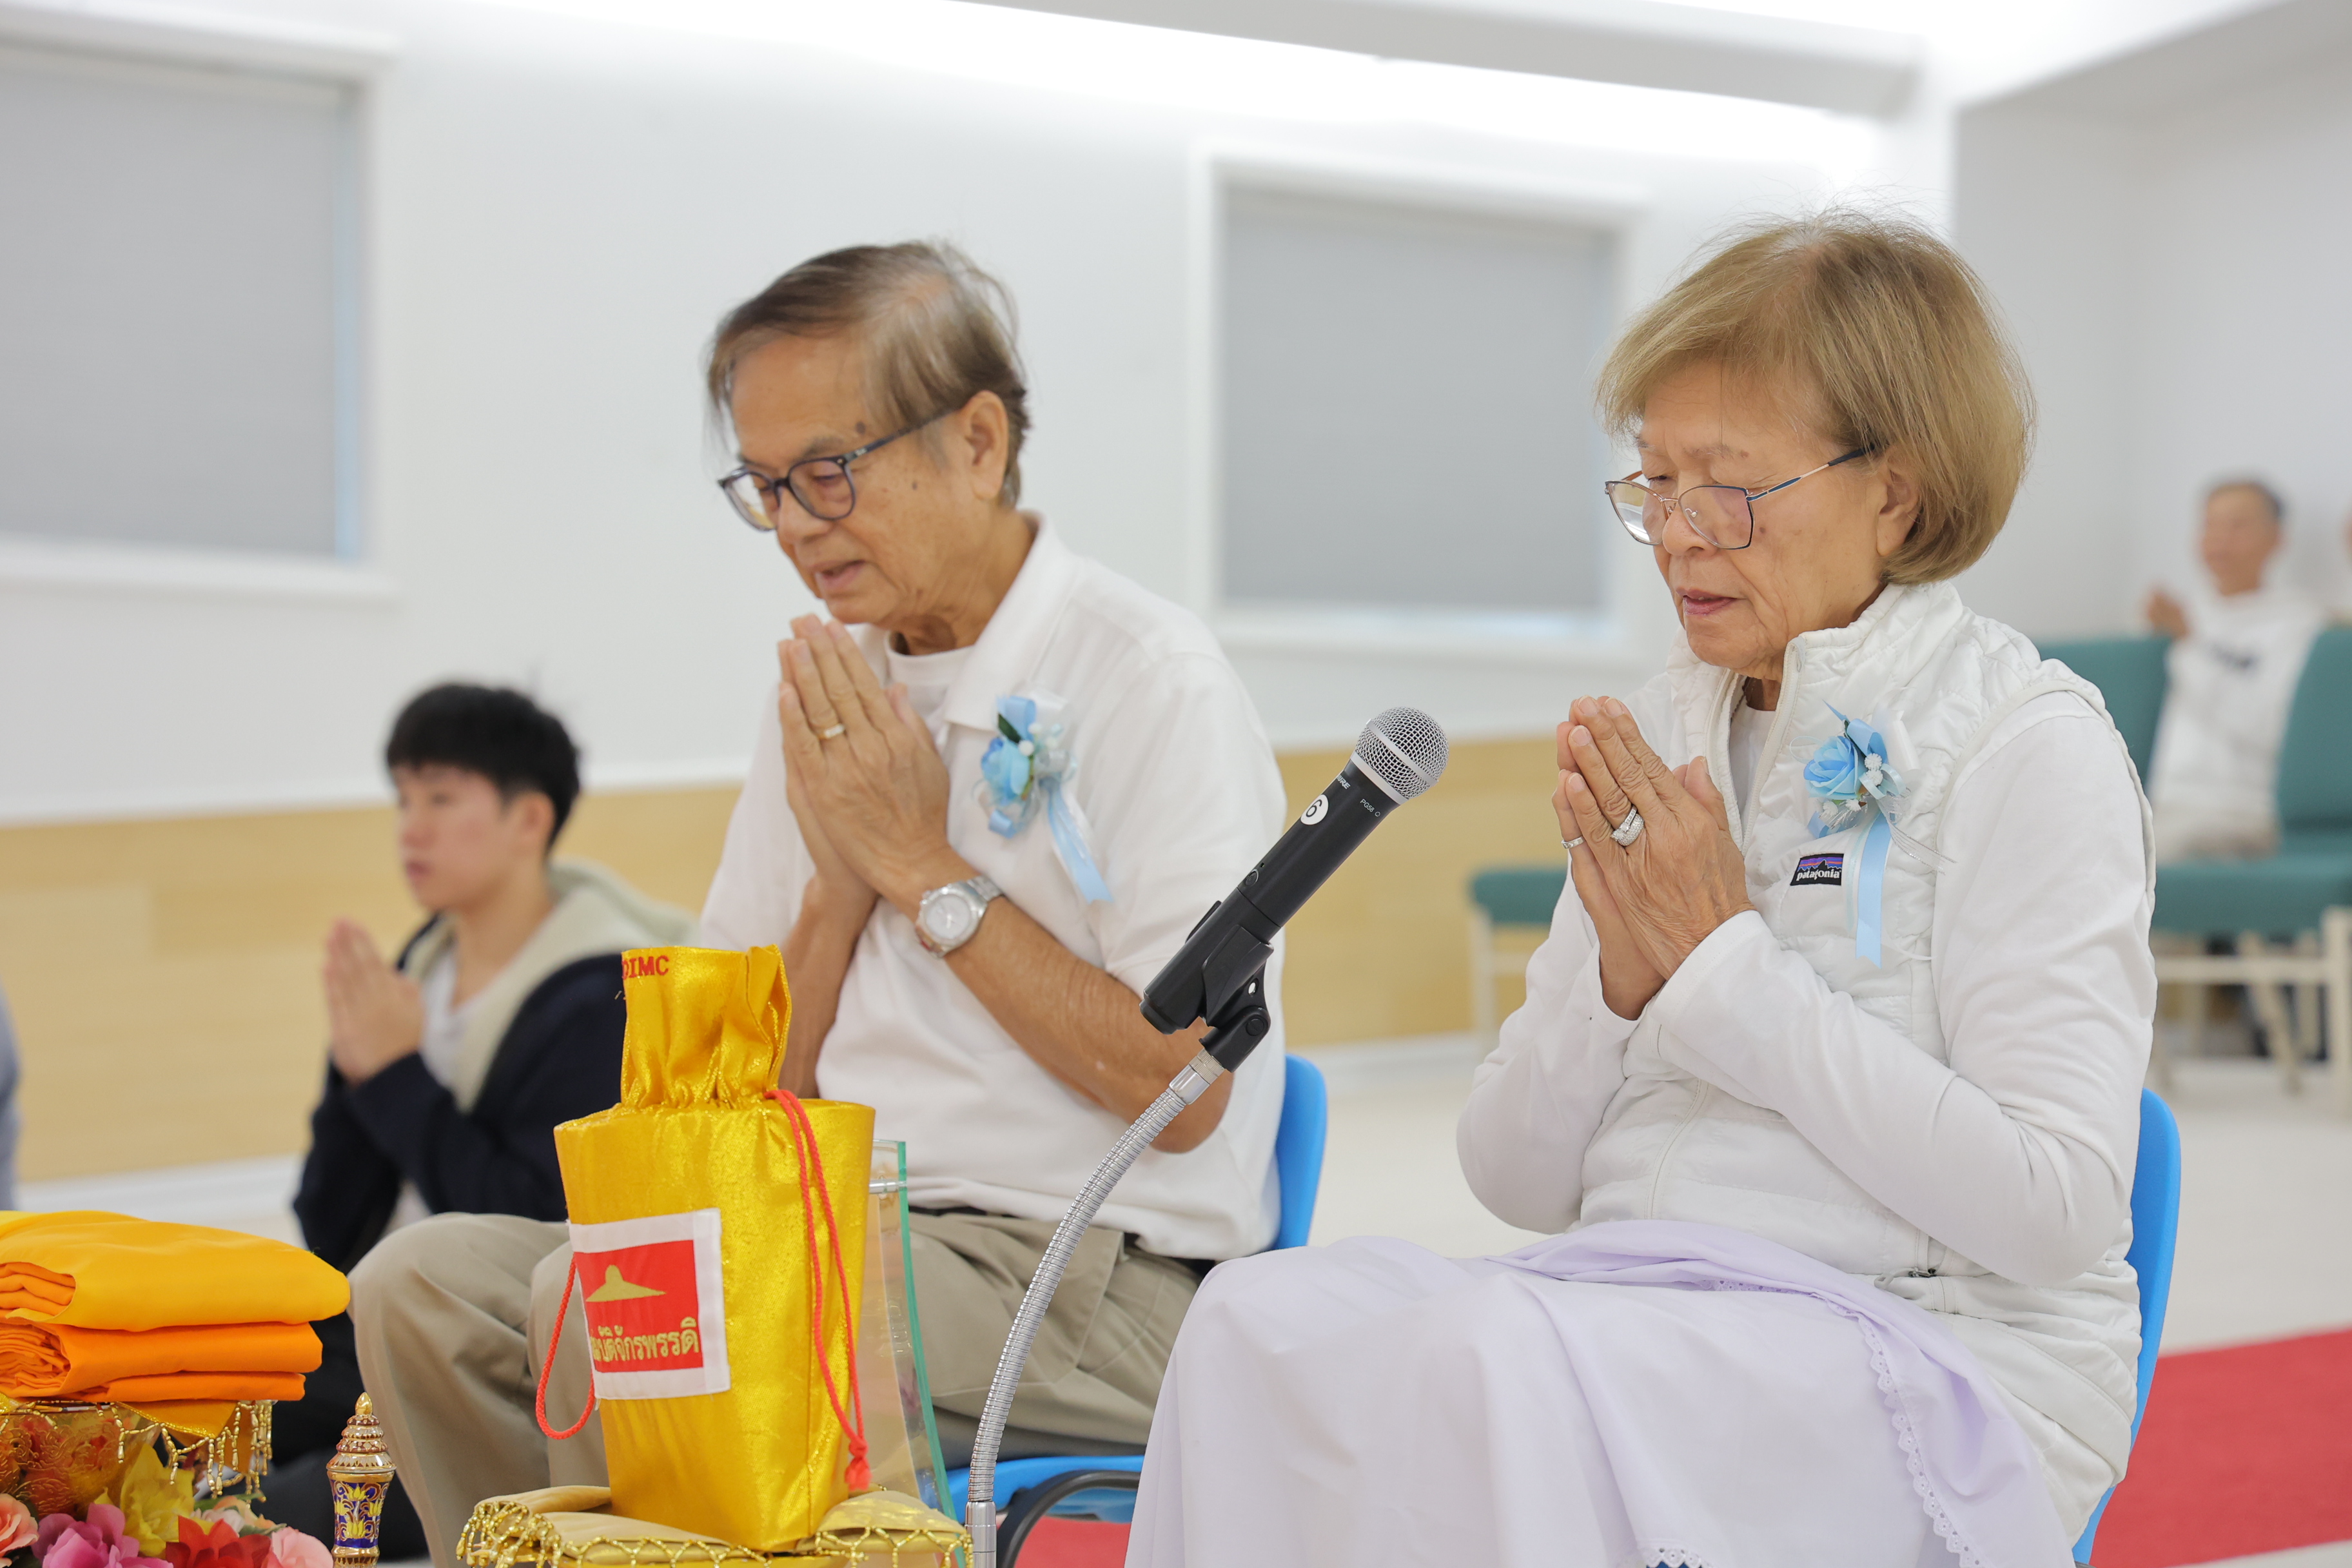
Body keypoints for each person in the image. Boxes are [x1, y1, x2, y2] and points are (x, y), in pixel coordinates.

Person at [1129, 211, 2153, 1566]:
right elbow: (1512, 1175)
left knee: (1488, 1361)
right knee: (1255, 1325)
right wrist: (1615, 988)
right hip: (1636, 1301)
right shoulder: (1663, 740)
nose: (1676, 536)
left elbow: (2056, 1207)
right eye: (1653, 485)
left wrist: (1722, 969)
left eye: (1726, 487)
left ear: (1893, 494)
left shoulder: (2030, 746)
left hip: (1928, 1344)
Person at [348, 242, 1289, 1566]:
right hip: (823, 1221)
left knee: (643, 1307)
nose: (794, 524)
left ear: (976, 440)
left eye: (830, 472)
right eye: (765, 484)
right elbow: (716, 1099)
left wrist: (923, 869)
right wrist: (842, 900)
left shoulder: (1151, 681)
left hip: (1083, 1271)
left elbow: (1182, 1093)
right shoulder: (830, 687)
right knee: (422, 1287)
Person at [273, 683, 694, 1554]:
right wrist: (364, 1073)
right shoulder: (411, 974)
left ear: (527, 819)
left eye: (441, 798)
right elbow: (325, 1222)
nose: (411, 829)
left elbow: (536, 1221)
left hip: (485, 1354)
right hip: (364, 1332)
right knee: (181, 1433)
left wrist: (393, 1078)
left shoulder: (600, 992)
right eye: (403, 799)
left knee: (273, 1515)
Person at [2143, 480, 2326, 863]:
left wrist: (2191, 647)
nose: (2220, 540)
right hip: (2161, 802)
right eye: (2210, 525)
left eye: (2237, 526)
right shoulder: (2183, 616)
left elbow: (2272, 729)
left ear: (2276, 539)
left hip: (2241, 810)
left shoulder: (2300, 624)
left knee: (2130, 857)